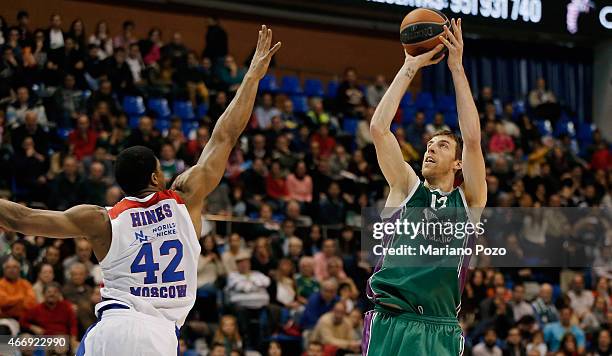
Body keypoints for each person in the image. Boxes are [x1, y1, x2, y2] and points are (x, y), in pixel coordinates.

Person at [0, 26, 280, 355]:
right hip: (158, 335)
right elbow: (225, 135)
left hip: (111, 329)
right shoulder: (186, 197)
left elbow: (21, 218)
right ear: (156, 176)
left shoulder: (100, 220)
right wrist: (252, 77)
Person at [364, 19, 487, 355]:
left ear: (458, 163)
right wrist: (409, 66)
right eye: (430, 144)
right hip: (392, 319)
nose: (431, 148)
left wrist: (457, 68)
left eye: (442, 146)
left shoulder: (470, 201)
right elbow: (379, 128)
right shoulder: (406, 187)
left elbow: (473, 140)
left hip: (441, 327)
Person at [19, 282, 79, 351]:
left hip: (61, 338)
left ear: (59, 294)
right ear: (43, 294)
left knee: (60, 341)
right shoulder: (37, 309)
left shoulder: (67, 307)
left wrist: (73, 339)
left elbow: (73, 325)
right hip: (43, 339)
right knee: (25, 340)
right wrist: (33, 327)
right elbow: (22, 321)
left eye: (55, 292)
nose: (52, 294)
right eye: (49, 292)